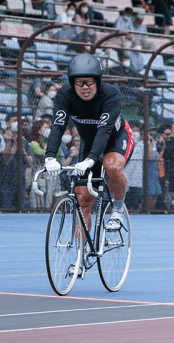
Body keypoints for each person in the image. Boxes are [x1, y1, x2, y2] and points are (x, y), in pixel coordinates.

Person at [43, 54, 135, 252]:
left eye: (90, 81)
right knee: (83, 199)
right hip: (89, 143)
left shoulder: (111, 95)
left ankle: (117, 210)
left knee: (111, 165)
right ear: (72, 83)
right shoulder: (65, 95)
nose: (85, 87)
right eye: (79, 82)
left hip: (115, 139)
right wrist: (50, 156)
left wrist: (91, 159)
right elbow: (58, 126)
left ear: (98, 81)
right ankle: (81, 254)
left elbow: (103, 131)